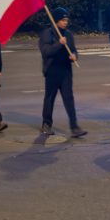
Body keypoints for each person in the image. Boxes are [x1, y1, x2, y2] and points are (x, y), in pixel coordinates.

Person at [39, 7, 86, 138]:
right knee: (50, 98)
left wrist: (75, 56)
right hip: (52, 70)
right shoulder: (47, 33)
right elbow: (46, 52)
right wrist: (59, 44)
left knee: (69, 98)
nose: (66, 22)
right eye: (63, 20)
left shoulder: (68, 34)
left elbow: (74, 50)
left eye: (67, 20)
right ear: (56, 21)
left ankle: (74, 126)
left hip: (65, 71)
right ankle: (46, 124)